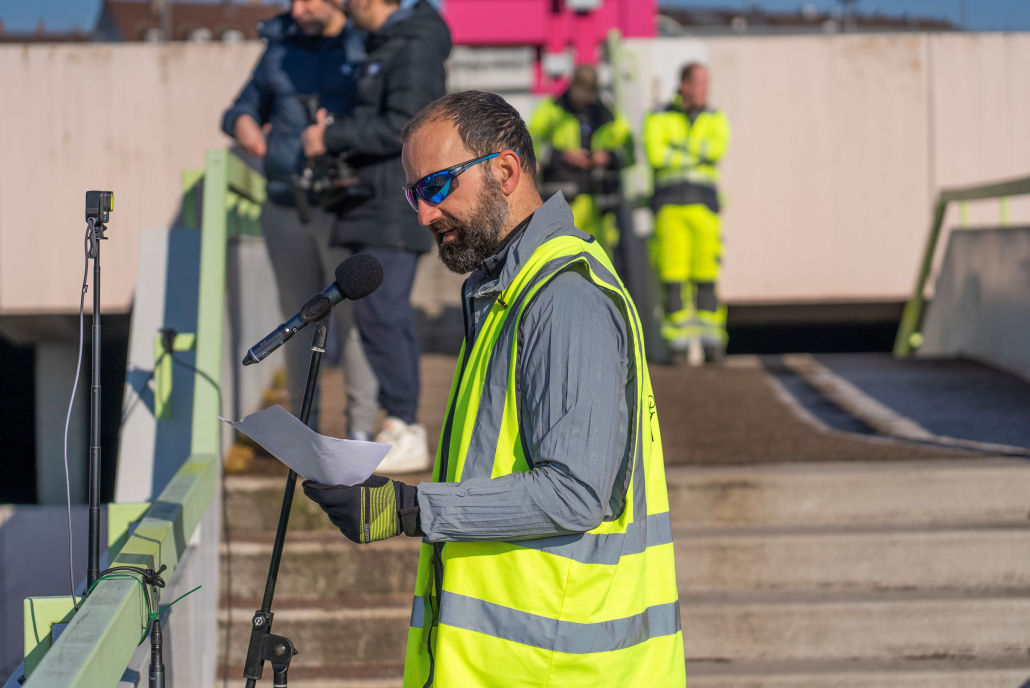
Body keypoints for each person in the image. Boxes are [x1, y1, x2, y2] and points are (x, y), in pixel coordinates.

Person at [302, 91, 685, 687]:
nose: (423, 215)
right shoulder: (508, 289)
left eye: (435, 188)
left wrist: (408, 508)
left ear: (504, 171)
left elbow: (576, 492)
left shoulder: (561, 296)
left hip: (561, 668)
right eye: (413, 194)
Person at [302, 0, 451, 472]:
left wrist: (332, 136)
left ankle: (407, 426)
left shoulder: (413, 44)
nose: (344, 9)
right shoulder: (386, 43)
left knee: (385, 317)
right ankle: (400, 425)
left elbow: (407, 127)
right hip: (371, 200)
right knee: (376, 319)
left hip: (389, 204)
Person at [222, 0, 378, 438]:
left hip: (345, 208)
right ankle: (303, 434)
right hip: (284, 207)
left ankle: (359, 432)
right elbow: (238, 108)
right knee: (297, 320)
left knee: (354, 322)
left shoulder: (364, 45)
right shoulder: (278, 51)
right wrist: (246, 123)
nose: (298, 8)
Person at [643, 62, 731, 362]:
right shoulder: (658, 117)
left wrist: (676, 150)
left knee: (706, 277)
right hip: (670, 209)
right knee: (674, 279)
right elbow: (656, 154)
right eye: (700, 84)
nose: (705, 91)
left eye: (707, 84)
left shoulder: (715, 117)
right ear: (684, 85)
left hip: (705, 209)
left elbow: (717, 149)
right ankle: (677, 347)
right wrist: (696, 150)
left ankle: (712, 345)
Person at [528, 64, 634, 257]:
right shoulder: (550, 111)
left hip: (600, 204)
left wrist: (608, 157)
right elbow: (528, 144)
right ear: (572, 86)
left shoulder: (606, 113)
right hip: (563, 202)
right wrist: (563, 155)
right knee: (564, 258)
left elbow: (630, 149)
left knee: (600, 263)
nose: (585, 101)